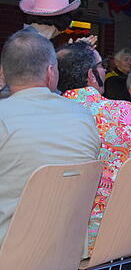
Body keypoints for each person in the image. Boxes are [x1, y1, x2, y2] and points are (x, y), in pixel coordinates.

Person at [0, 30, 100, 243]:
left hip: (9, 251)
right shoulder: (83, 116)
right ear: (50, 73)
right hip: (67, 249)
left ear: (4, 73)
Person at [57, 41, 131, 256]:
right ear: (91, 75)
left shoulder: (48, 118)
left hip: (63, 243)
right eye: (101, 66)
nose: (105, 70)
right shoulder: (130, 113)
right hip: (129, 233)